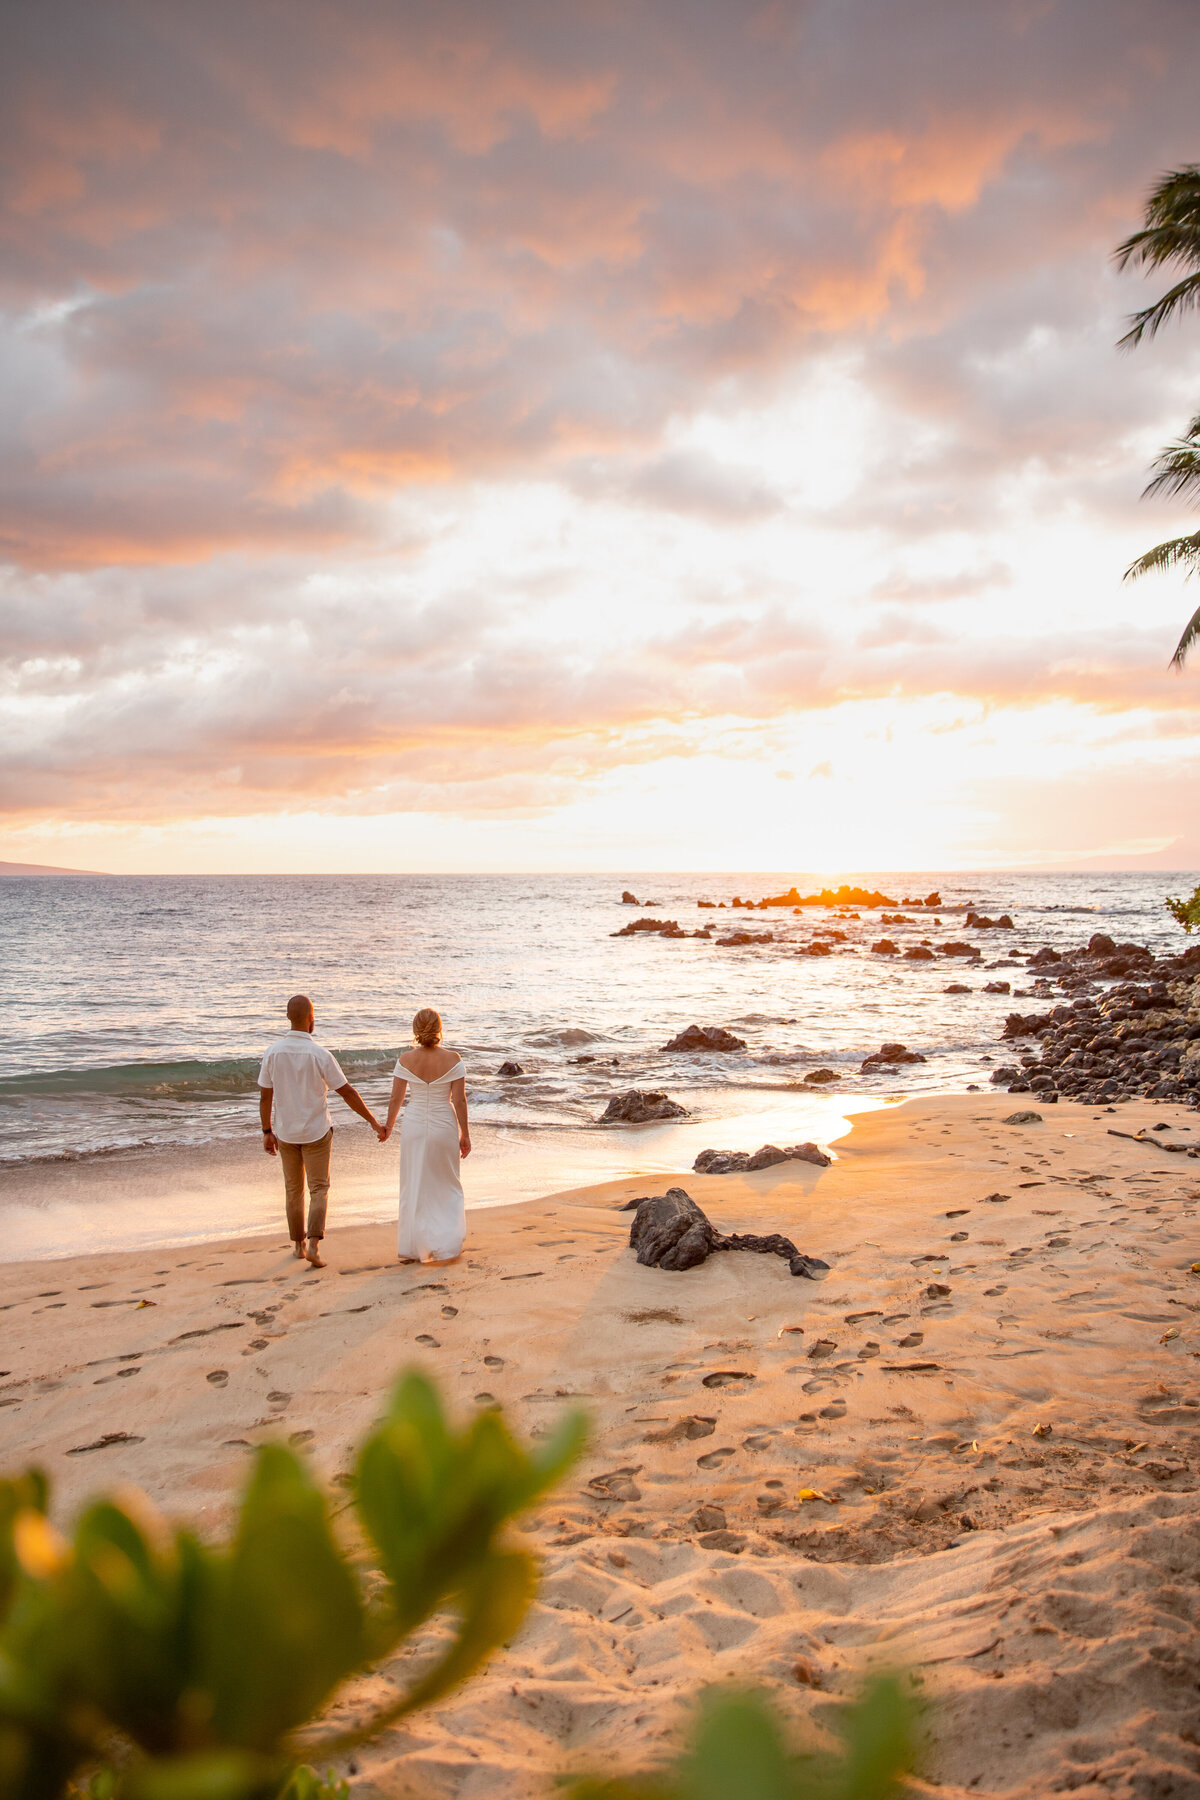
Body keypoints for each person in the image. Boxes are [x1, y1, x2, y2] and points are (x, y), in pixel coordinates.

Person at [258, 994, 384, 1267]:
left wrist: (267, 1130)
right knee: (319, 1188)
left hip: (287, 1133)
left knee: (293, 1190)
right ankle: (314, 1244)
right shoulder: (319, 1054)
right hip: (316, 1132)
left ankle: (298, 1245)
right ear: (311, 1019)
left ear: (288, 1017)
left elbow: (265, 1096)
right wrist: (373, 1122)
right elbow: (347, 1092)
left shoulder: (273, 1052)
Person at [382, 1007, 470, 1264]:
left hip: (415, 1126)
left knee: (415, 1184)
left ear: (415, 1030)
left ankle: (414, 1247)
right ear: (439, 1028)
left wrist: (387, 1126)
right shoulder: (454, 1059)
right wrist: (465, 1134)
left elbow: (396, 1098)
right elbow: (459, 1100)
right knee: (447, 1182)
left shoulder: (405, 1059)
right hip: (444, 1125)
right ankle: (447, 1244)